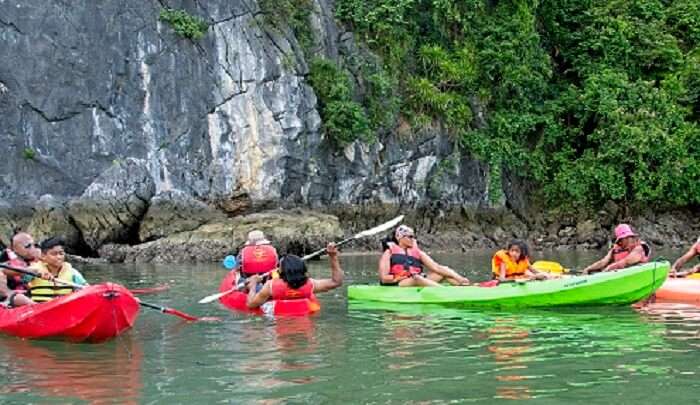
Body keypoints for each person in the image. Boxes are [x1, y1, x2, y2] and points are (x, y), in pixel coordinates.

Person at [246, 243, 343, 309]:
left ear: (281, 272)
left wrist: (253, 285)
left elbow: (251, 304)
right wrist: (333, 256)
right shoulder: (310, 285)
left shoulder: (270, 286)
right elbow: (336, 282)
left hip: (278, 322)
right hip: (304, 322)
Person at [378, 225, 470, 287]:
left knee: (442, 272)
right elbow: (384, 278)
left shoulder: (418, 253)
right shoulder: (389, 253)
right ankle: (444, 292)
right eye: (410, 237)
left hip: (417, 279)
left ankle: (463, 287)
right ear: (400, 238)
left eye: (413, 237)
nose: (413, 239)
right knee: (417, 278)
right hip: (400, 283)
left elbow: (436, 267)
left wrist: (459, 278)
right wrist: (399, 277)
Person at [28, 237, 88, 302]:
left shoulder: (72, 273)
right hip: (40, 308)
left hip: (64, 308)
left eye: (61, 253)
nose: (59, 257)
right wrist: (37, 272)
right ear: (43, 256)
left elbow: (88, 289)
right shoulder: (34, 270)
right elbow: (17, 273)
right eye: (54, 254)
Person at [582, 224, 650, 274]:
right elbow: (603, 262)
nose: (629, 239)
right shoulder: (616, 249)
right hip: (620, 276)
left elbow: (626, 261)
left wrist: (608, 268)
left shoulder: (639, 248)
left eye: (629, 237)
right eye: (623, 238)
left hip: (635, 275)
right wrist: (588, 268)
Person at [0, 231, 41, 307]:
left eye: (34, 245)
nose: (33, 248)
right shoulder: (5, 259)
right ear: (15, 249)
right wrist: (27, 270)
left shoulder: (42, 256)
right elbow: (4, 270)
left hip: (37, 294)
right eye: (28, 246)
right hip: (15, 297)